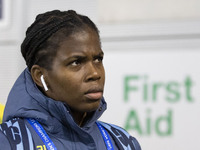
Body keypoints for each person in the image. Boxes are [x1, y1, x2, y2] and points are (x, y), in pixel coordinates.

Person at [0, 10, 141, 150]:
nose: (95, 73)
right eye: (76, 62)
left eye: (98, 59)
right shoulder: (8, 142)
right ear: (40, 76)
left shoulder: (122, 142)